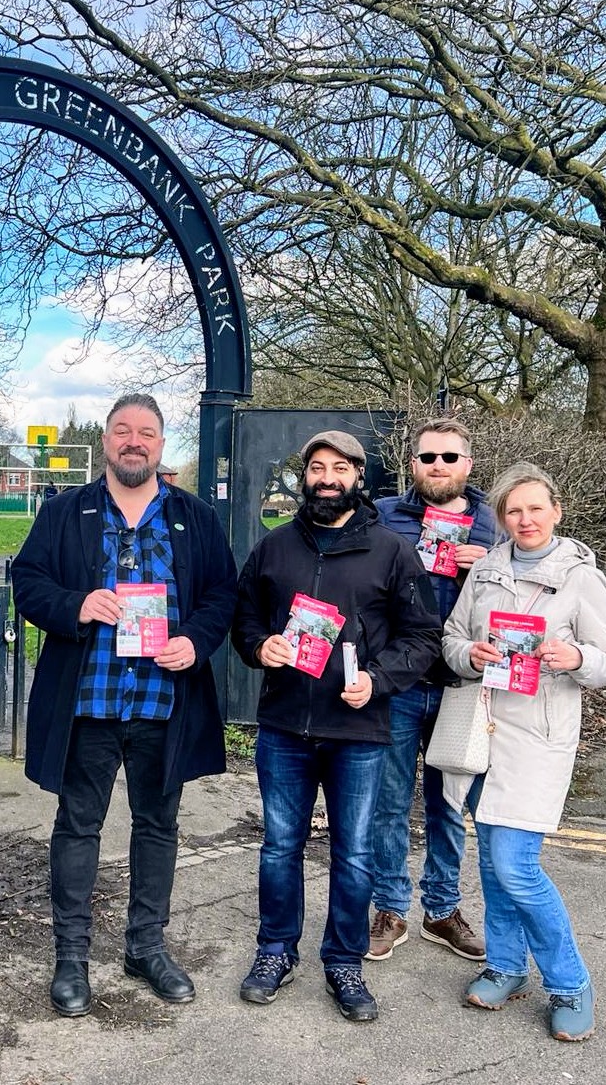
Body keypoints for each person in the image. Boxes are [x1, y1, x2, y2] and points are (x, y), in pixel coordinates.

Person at [11, 393, 237, 1018]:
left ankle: (145, 947)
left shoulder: (195, 517)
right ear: (106, 441)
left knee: (158, 826)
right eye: (121, 431)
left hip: (166, 703)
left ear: (162, 445)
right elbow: (27, 581)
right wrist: (76, 606)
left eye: (146, 432)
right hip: (89, 701)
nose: (133, 441)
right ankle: (71, 958)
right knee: (78, 826)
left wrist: (194, 640)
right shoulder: (66, 512)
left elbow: (224, 593)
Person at [231, 429, 441, 1022]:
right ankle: (275, 951)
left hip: (359, 729)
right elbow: (244, 618)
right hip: (283, 729)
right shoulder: (273, 548)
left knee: (354, 855)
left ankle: (345, 960)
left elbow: (422, 636)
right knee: (279, 849)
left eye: (340, 468)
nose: (327, 478)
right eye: (317, 468)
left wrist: (379, 679)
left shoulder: (393, 552)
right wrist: (259, 645)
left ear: (359, 477)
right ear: (304, 478)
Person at [442, 462, 606, 1043]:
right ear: (501, 518)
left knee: (516, 869)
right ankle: (505, 965)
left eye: (535, 508)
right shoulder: (486, 570)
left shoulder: (580, 577)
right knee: (494, 864)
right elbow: (450, 638)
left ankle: (570, 983)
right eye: (513, 510)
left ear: (556, 511)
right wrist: (471, 653)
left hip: (538, 739)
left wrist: (576, 660)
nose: (525, 519)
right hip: (482, 732)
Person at [368, 418, 498, 962]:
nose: (438, 466)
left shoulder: (496, 523)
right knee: (389, 804)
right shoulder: (384, 515)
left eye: (449, 457)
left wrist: (487, 564)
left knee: (450, 807)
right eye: (428, 457)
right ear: (412, 464)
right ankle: (390, 909)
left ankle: (442, 911)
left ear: (467, 465)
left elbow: (526, 595)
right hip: (398, 681)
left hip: (462, 687)